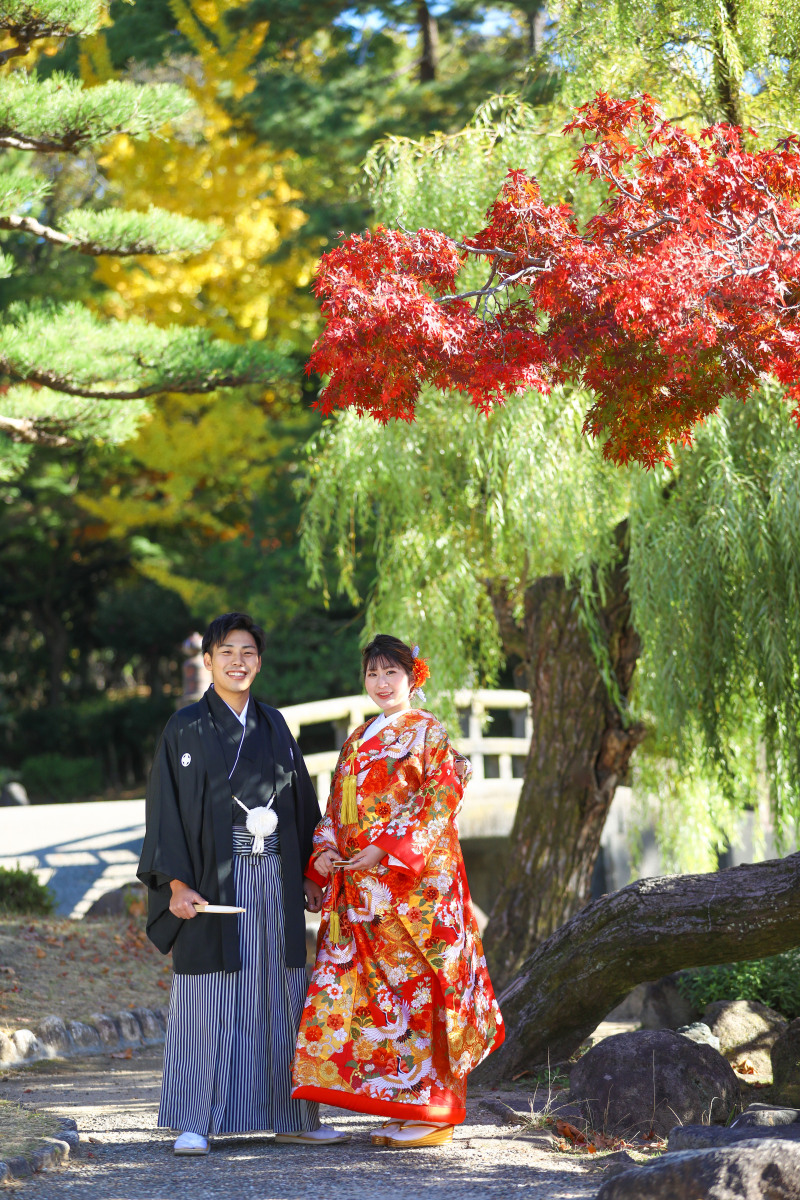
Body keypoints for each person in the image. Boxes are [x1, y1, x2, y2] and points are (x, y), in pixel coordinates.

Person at [137, 612, 349, 1155]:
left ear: (259, 660)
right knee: (210, 998)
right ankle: (195, 1119)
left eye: (248, 652)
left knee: (280, 996)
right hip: (213, 880)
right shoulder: (183, 727)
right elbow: (166, 809)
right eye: (226, 651)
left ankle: (294, 1115)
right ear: (207, 661)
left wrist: (308, 871)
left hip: (273, 878)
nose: (238, 661)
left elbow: (302, 802)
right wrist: (177, 884)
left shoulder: (275, 724)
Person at [292, 634, 504, 1148]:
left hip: (416, 893)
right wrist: (321, 860)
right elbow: (334, 811)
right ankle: (400, 1102)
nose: (382, 684)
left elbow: (441, 798)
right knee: (378, 1001)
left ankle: (435, 1110)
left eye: (392, 673)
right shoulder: (357, 739)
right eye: (373, 674)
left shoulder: (429, 733)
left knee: (423, 992)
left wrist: (385, 852)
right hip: (362, 896)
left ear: (413, 678)